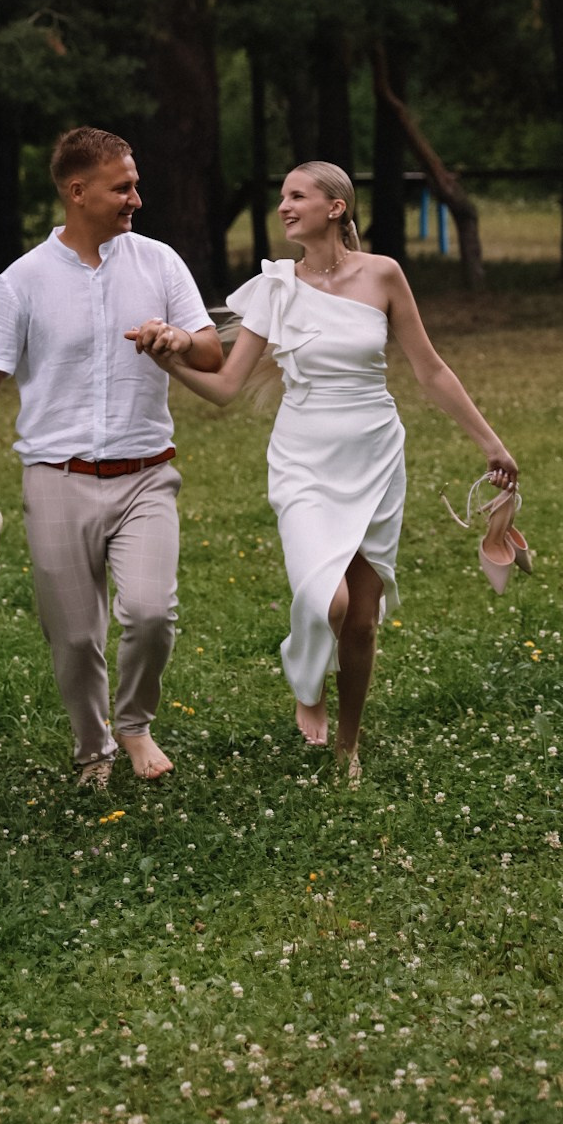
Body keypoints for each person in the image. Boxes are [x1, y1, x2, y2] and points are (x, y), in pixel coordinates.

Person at [135, 162, 517, 780]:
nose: (284, 207)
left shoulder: (383, 274)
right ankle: (305, 670)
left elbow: (430, 370)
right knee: (328, 598)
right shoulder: (274, 288)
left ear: (336, 207)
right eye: (281, 196)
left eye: (297, 196)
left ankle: (348, 743)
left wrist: (490, 443)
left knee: (362, 618)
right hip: (303, 459)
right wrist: (168, 361)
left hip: (374, 453)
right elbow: (228, 387)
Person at [0, 127, 222, 789]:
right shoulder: (23, 282)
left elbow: (214, 354)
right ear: (78, 191)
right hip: (57, 480)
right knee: (74, 638)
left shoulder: (159, 263)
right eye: (122, 186)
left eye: (135, 184)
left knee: (152, 614)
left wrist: (177, 339)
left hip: (146, 476)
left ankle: (133, 724)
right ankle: (91, 747)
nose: (136, 197)